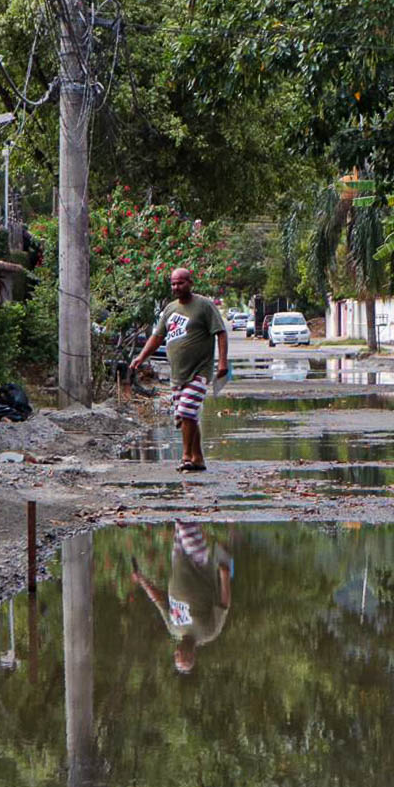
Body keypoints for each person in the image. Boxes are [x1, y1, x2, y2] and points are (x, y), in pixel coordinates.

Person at [130, 267, 229, 472]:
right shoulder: (170, 309)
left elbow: (220, 333)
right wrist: (141, 356)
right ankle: (198, 458)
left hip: (200, 371)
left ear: (190, 283)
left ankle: (185, 456)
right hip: (177, 374)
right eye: (173, 283)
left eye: (181, 282)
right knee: (187, 416)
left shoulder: (204, 306)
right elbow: (157, 337)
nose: (176, 287)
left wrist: (222, 363)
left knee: (185, 411)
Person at [131, 522, 232, 674]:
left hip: (178, 560)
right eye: (180, 656)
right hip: (199, 564)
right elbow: (224, 605)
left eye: (175, 656)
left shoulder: (174, 629)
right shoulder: (208, 632)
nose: (176, 653)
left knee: (181, 519)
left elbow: (159, 601)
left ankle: (187, 500)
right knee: (185, 521)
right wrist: (224, 577)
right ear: (191, 656)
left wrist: (142, 580)